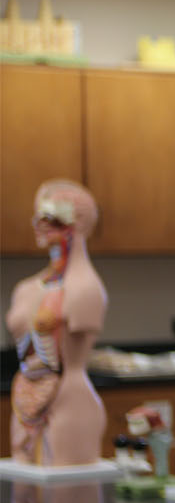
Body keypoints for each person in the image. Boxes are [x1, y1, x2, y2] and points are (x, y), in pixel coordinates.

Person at [7, 179, 108, 466]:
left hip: (69, 399)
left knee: (68, 502)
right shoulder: (27, 288)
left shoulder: (85, 288)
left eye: (50, 215)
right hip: (25, 396)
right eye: (37, 215)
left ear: (77, 222)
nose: (39, 223)